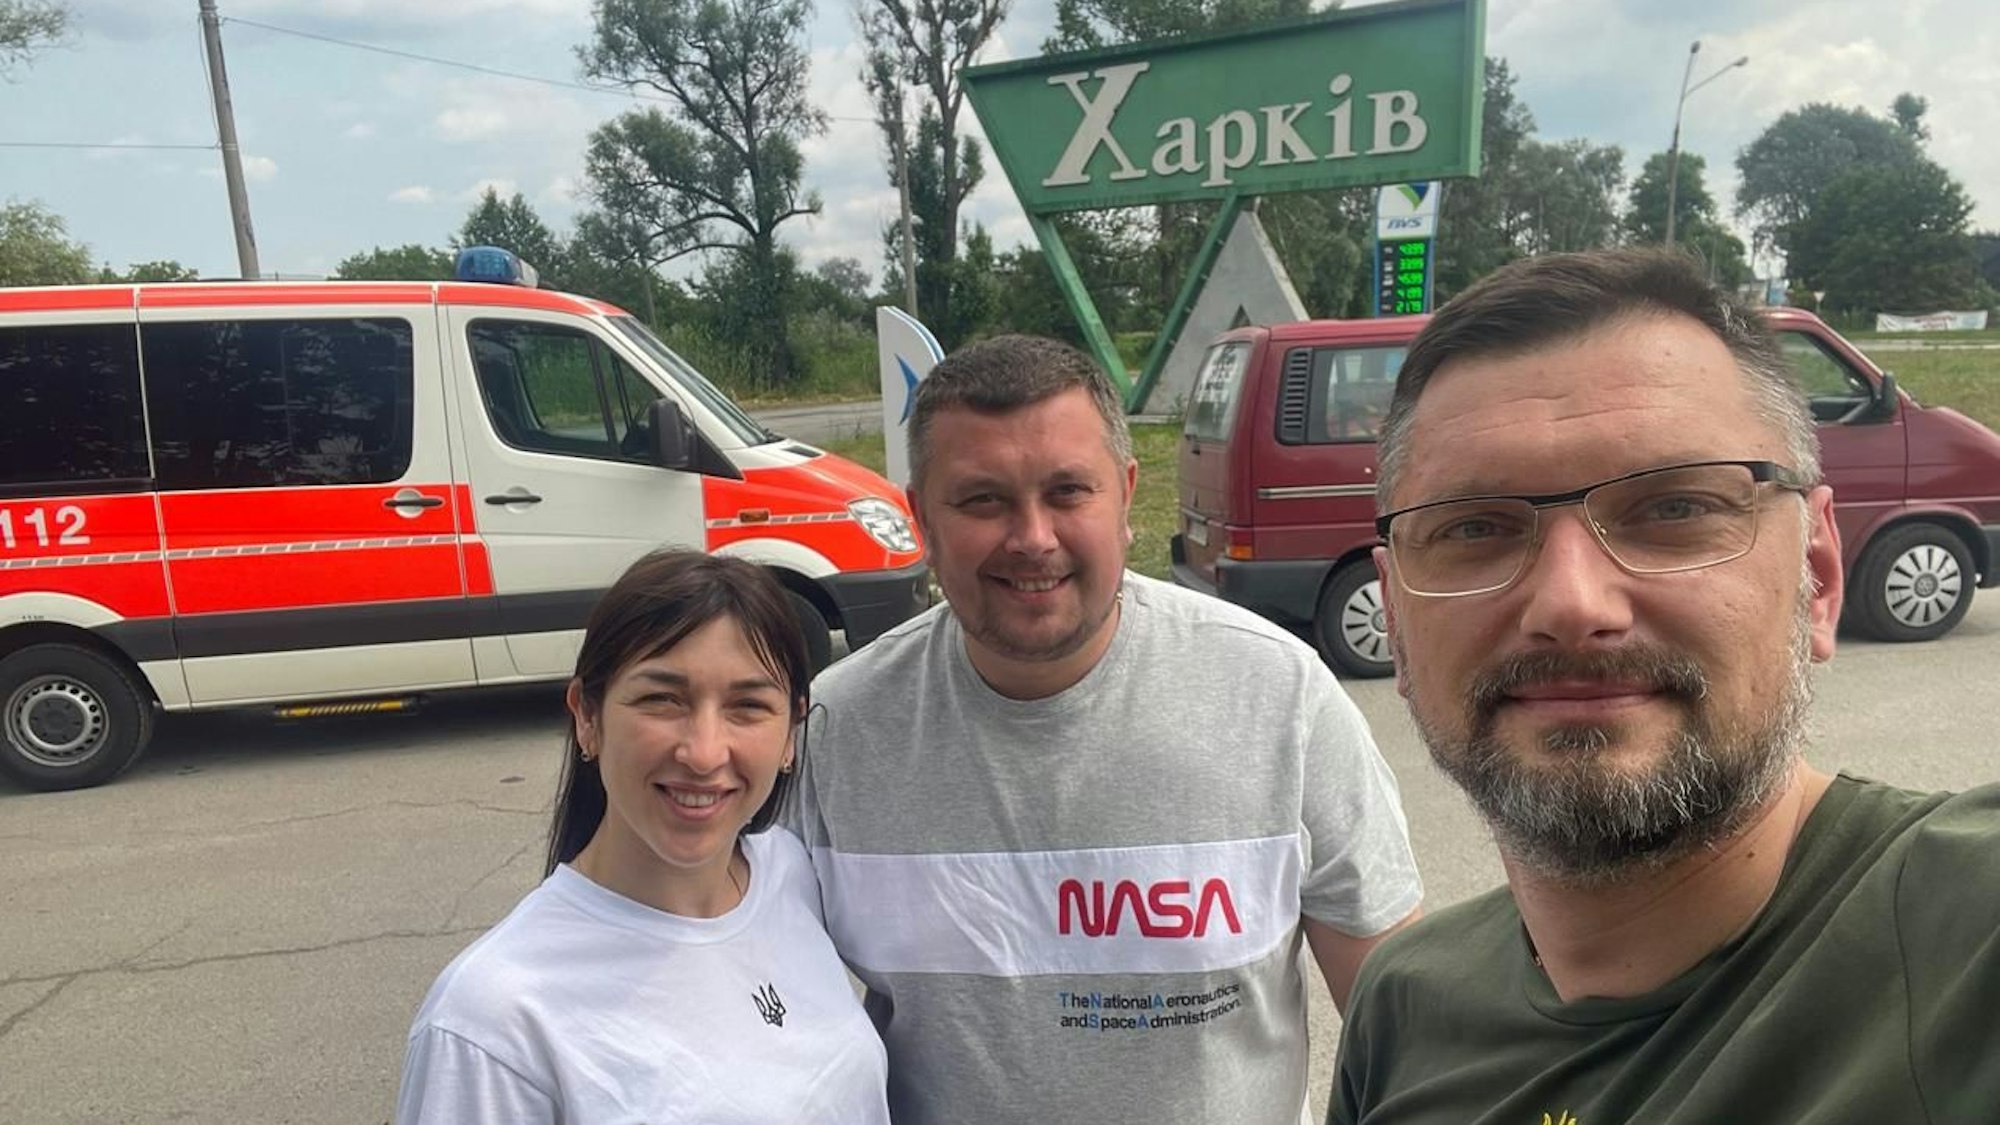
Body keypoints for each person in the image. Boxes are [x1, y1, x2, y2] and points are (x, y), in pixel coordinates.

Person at [1334, 248, 2000, 1123]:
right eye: (1475, 527)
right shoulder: (1401, 1007)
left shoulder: (1971, 934)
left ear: (1819, 575)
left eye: (1674, 508)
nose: (1572, 603)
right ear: (1399, 620)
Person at [788, 334, 1424, 1124]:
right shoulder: (838, 729)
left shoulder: (1279, 697)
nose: (1032, 537)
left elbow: (1404, 1031)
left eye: (1067, 492)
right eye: (983, 499)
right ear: (921, 515)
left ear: (1124, 495)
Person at [397, 550, 889, 1123]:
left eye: (748, 706)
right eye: (662, 699)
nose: (704, 752)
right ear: (587, 716)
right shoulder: (491, 1020)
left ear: (790, 734)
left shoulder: (792, 875)